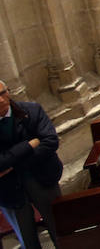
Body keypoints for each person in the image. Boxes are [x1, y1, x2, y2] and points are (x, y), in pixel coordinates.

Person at [0, 81, 63, 249]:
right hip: (9, 189)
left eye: (2, 93)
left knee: (60, 231)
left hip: (42, 178)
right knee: (27, 240)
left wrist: (13, 164)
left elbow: (50, 141)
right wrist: (28, 145)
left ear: (9, 91)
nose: (0, 100)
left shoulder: (31, 110)